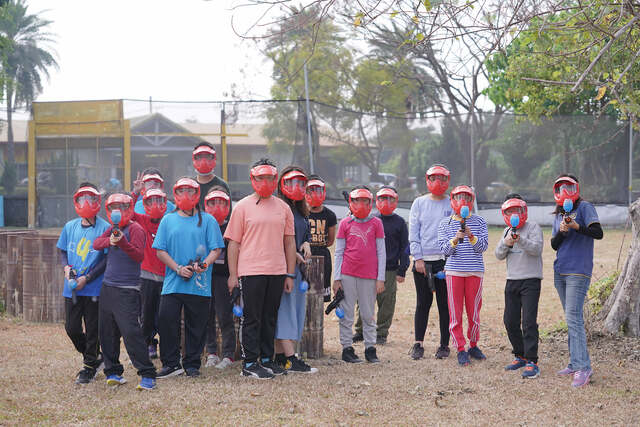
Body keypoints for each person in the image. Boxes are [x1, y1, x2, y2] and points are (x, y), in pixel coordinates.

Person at [224, 159, 297, 380]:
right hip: (250, 271)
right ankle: (249, 363)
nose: (264, 182)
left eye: (269, 178)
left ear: (275, 180)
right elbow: (233, 244)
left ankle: (267, 360)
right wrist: (233, 274)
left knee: (270, 317)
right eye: (260, 178)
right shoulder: (242, 207)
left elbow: (290, 243)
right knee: (252, 318)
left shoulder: (284, 208)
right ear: (252, 179)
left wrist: (290, 273)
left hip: (277, 271)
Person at [152, 177, 224, 378]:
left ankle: (192, 364)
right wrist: (177, 268)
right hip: (173, 283)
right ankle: (171, 364)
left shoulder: (208, 220)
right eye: (182, 191)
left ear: (197, 194)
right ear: (175, 193)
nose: (186, 195)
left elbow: (216, 249)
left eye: (191, 191)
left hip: (199, 285)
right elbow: (160, 250)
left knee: (197, 325)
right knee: (166, 321)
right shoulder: (168, 219)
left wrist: (203, 265)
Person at [93, 193, 157, 390]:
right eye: (114, 207)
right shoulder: (112, 229)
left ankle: (147, 374)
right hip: (108, 288)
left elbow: (138, 255)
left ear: (129, 208)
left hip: (128, 290)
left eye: (122, 206)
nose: (117, 211)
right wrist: (111, 241)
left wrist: (122, 242)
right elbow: (96, 244)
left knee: (131, 333)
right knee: (107, 333)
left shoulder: (135, 228)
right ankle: (113, 371)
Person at [550, 174, 603, 388]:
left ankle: (583, 367)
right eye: (560, 187)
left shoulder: (585, 208)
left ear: (576, 187)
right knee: (571, 318)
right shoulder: (559, 213)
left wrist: (576, 227)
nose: (564, 190)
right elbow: (554, 245)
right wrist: (563, 231)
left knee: (573, 318)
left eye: (568, 186)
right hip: (560, 271)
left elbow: (598, 233)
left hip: (578, 271)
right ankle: (574, 362)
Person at [56, 183, 109, 384]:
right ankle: (95, 357)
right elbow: (62, 251)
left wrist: (87, 278)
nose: (86, 203)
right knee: (72, 328)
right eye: (81, 198)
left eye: (91, 198)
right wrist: (66, 269)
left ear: (98, 202)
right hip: (71, 290)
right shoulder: (70, 227)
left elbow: (106, 259)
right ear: (76, 201)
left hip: (94, 289)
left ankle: (88, 367)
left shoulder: (104, 228)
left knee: (93, 328)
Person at [333, 186, 386, 364]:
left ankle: (370, 349)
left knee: (368, 314)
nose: (361, 204)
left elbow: (381, 252)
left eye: (365, 201)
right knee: (347, 313)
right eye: (357, 200)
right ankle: (347, 349)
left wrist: (380, 278)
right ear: (351, 203)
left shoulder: (376, 223)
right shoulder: (345, 224)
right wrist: (336, 277)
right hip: (347, 274)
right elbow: (339, 252)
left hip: (369, 276)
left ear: (370, 203)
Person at [437, 185, 489, 367]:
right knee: (455, 313)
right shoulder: (445, 224)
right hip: (454, 272)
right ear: (452, 200)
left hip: (475, 271)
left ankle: (473, 345)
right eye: (459, 198)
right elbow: (445, 250)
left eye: (467, 198)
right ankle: (460, 348)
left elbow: (482, 247)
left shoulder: (480, 221)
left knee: (474, 312)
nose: (463, 202)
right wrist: (456, 239)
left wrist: (471, 235)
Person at [274, 166, 318, 374]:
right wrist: (292, 257)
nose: (296, 187)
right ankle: (292, 358)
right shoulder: (278, 207)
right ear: (282, 184)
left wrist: (307, 243)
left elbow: (304, 233)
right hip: (283, 269)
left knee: (295, 312)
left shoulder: (300, 210)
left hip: (298, 271)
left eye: (301, 183)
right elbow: (276, 240)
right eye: (291, 182)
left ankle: (280, 358)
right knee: (284, 313)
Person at [495, 194, 543, 379]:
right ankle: (520, 354)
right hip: (512, 280)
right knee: (510, 321)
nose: (514, 214)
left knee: (529, 322)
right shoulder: (507, 231)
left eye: (516, 210)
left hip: (531, 280)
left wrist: (520, 239)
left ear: (523, 211)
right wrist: (507, 243)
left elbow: (536, 249)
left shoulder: (533, 227)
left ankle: (532, 361)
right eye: (510, 211)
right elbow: (498, 255)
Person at [354, 186, 409, 345]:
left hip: (390, 269)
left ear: (396, 201)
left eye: (390, 199)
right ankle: (360, 331)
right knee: (364, 300)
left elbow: (405, 248)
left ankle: (381, 333)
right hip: (369, 268)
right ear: (376, 201)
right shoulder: (370, 219)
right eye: (383, 198)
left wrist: (402, 269)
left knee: (387, 302)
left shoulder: (399, 222)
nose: (386, 202)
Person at [408, 165, 453, 360]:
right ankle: (418, 344)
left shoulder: (452, 203)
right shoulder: (419, 203)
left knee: (445, 305)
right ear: (427, 179)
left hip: (445, 261)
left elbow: (454, 233)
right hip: (423, 262)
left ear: (448, 181)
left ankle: (444, 345)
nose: (438, 183)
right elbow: (414, 232)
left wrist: (449, 260)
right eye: (434, 178)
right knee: (423, 304)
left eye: (442, 179)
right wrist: (417, 258)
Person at [130, 187, 168, 359]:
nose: (155, 205)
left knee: (164, 317)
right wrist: (134, 194)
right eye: (151, 201)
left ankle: (167, 351)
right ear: (144, 204)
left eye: (159, 201)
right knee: (146, 316)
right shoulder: (142, 220)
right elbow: (128, 213)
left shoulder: (169, 221)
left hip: (167, 277)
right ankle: (144, 349)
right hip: (146, 276)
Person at [203, 186, 236, 370]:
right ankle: (212, 353)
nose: (217, 206)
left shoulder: (231, 225)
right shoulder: (202, 224)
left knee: (225, 316)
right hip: (206, 277)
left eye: (221, 202)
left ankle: (229, 355)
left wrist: (234, 276)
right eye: (212, 202)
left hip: (224, 278)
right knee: (207, 316)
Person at [306, 175, 337, 303]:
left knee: (319, 298)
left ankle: (316, 322)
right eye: (311, 190)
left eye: (318, 190)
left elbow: (330, 241)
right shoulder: (301, 213)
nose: (314, 193)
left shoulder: (329, 215)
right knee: (305, 295)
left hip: (323, 258)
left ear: (323, 192)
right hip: (305, 258)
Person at [192, 142, 231, 211]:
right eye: (199, 156)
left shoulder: (222, 185)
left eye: (207, 156)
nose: (203, 161)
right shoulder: (191, 186)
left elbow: (228, 213)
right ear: (194, 159)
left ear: (214, 158)